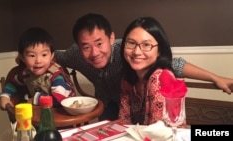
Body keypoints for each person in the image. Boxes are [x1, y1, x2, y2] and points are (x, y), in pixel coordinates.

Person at [55, 13, 233, 121]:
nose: (94, 52)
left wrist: (215, 78)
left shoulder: (129, 52)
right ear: (79, 47)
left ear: (111, 38)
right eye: (86, 46)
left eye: (99, 43)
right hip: (109, 105)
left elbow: (173, 63)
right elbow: (51, 56)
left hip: (142, 109)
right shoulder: (75, 55)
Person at [118, 16, 186, 125]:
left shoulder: (160, 77)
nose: (136, 52)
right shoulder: (128, 78)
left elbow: (158, 131)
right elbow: (124, 121)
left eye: (146, 45)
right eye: (131, 43)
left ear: (159, 50)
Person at [0, 27, 75, 110]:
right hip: (41, 114)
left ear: (51, 56)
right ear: (22, 57)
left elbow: (58, 99)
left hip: (64, 113)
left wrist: (34, 99)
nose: (38, 61)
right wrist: (5, 96)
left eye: (44, 55)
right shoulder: (26, 74)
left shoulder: (56, 76)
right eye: (32, 55)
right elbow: (12, 84)